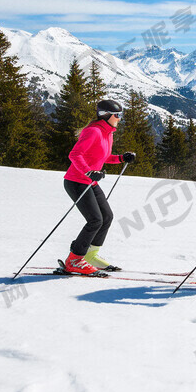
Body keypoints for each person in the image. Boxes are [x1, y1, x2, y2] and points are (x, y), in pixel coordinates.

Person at [60, 99, 136, 275]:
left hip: (89, 182)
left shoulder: (108, 133)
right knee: (95, 220)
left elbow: (103, 157)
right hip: (76, 182)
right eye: (117, 115)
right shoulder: (93, 131)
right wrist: (88, 172)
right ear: (106, 115)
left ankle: (90, 255)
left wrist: (121, 158)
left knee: (107, 216)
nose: (119, 118)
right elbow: (75, 154)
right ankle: (75, 259)